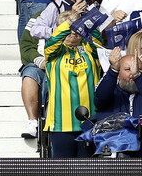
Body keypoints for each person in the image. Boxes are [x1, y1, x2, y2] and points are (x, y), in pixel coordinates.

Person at [43, 12, 103, 158]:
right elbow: (53, 41)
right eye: (69, 28)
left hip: (90, 123)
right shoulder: (53, 54)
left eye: (77, 28)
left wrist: (84, 19)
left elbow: (98, 39)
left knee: (87, 175)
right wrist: (70, 21)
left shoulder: (90, 50)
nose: (73, 32)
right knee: (62, 175)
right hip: (61, 124)